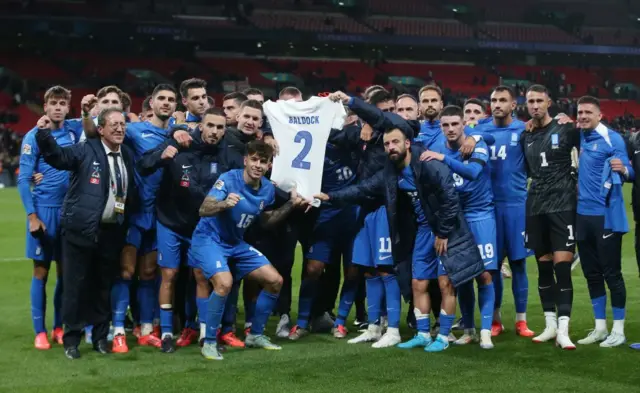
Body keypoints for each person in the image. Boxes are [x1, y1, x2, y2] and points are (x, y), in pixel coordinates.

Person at [315, 125, 484, 352]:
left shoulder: (428, 164)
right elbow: (363, 188)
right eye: (386, 144)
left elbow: (450, 198)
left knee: (446, 283)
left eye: (395, 142)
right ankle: (423, 334)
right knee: (418, 283)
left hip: (446, 229)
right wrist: (330, 196)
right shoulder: (391, 172)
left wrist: (443, 232)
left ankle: (444, 336)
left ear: (407, 144)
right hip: (423, 232)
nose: (390, 147)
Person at [188, 140, 308, 360]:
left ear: (269, 165)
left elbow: (265, 222)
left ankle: (255, 334)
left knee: (275, 281)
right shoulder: (228, 180)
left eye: (263, 161)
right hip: (209, 240)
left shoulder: (267, 190)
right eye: (254, 159)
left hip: (235, 243)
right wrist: (223, 204)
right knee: (223, 283)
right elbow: (204, 209)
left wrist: (291, 205)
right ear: (245, 160)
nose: (258, 165)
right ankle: (210, 342)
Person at [138, 107, 243, 353]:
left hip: (202, 226)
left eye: (219, 127)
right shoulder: (179, 142)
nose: (214, 131)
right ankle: (165, 333)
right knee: (170, 275)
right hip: (171, 223)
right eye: (210, 126)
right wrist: (162, 154)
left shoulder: (229, 154)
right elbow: (143, 165)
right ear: (200, 126)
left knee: (201, 276)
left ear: (224, 130)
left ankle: (206, 333)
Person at [34, 108, 137, 359]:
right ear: (100, 129)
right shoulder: (86, 149)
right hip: (80, 229)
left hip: (111, 231)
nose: (119, 128)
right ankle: (72, 339)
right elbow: (57, 157)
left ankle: (101, 338)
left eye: (122, 124)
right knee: (75, 286)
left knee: (103, 287)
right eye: (113, 124)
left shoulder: (128, 155)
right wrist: (44, 135)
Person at [108, 84, 177, 353]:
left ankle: (147, 329)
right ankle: (117, 330)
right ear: (151, 103)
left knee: (149, 273)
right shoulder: (134, 130)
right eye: (161, 98)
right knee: (125, 272)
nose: (166, 103)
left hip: (160, 214)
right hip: (133, 211)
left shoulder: (178, 134)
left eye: (171, 99)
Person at [421, 105, 496, 349]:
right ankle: (470, 329)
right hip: (455, 220)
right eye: (446, 125)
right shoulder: (436, 148)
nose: (451, 129)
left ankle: (486, 331)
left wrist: (446, 158)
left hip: (480, 216)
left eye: (455, 124)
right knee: (461, 277)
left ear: (464, 124)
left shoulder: (476, 144)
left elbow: (473, 172)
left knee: (484, 275)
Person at [17, 86, 84, 350]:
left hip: (69, 211)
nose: (57, 107)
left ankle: (59, 326)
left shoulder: (74, 130)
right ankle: (39, 331)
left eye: (62, 103)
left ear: (69, 107)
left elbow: (99, 121)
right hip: (44, 210)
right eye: (53, 103)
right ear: (44, 107)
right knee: (41, 271)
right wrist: (32, 216)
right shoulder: (33, 136)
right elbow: (23, 179)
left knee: (66, 274)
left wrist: (91, 105)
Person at [521, 84, 580, 350]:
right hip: (535, 207)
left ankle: (564, 330)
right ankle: (550, 325)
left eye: (539, 101)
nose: (534, 105)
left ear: (549, 102)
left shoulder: (566, 128)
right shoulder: (525, 134)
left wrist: (574, 120)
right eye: (530, 101)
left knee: (562, 266)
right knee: (543, 267)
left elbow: (589, 139)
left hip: (563, 206)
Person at [572, 96, 632, 348]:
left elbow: (631, 170)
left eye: (588, 112)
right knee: (592, 274)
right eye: (579, 112)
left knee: (612, 273)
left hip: (605, 215)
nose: (583, 116)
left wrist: (624, 170)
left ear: (599, 115)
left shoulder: (612, 138)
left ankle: (618, 330)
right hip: (582, 216)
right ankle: (600, 328)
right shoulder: (581, 136)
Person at [475, 86, 534, 337]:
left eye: (502, 100)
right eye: (493, 100)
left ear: (513, 105)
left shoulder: (523, 130)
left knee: (519, 264)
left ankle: (521, 320)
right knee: (493, 265)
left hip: (517, 207)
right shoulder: (479, 130)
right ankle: (496, 318)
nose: (497, 104)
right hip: (489, 207)